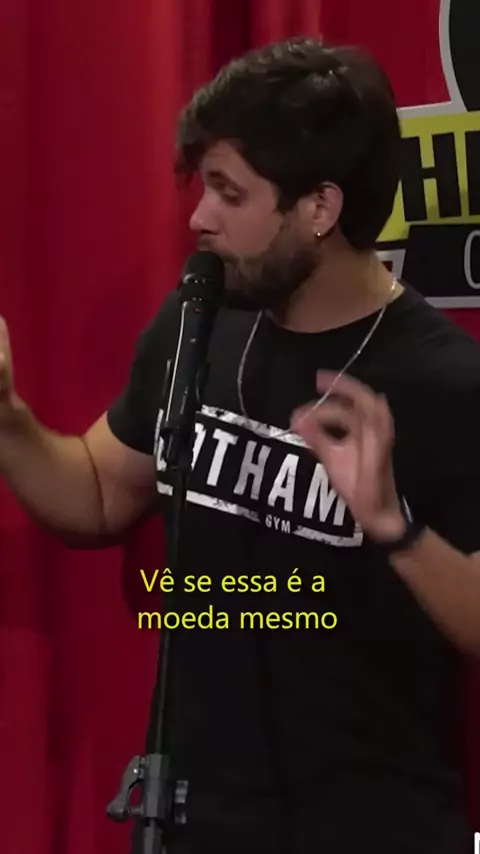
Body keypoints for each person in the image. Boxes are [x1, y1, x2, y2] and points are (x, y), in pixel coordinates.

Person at [1, 37, 480, 854]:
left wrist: (392, 524)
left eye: (229, 193)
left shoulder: (444, 382)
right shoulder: (201, 321)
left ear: (319, 209)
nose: (199, 217)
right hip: (197, 821)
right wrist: (7, 417)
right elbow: (99, 493)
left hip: (371, 827)